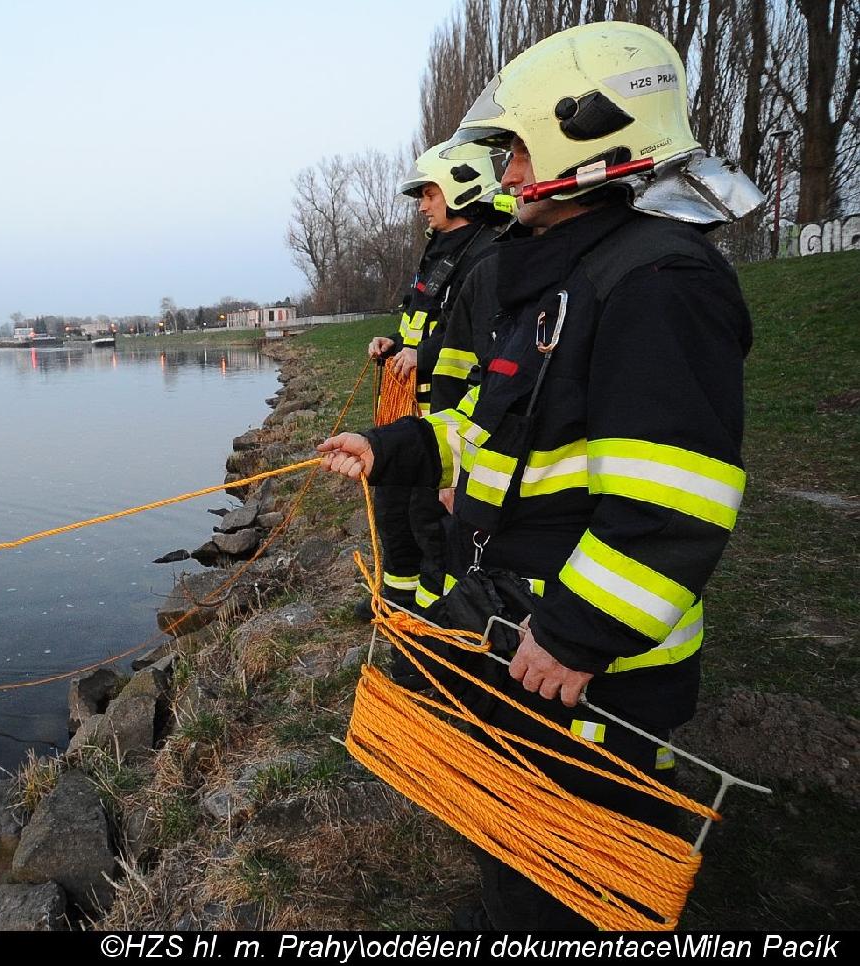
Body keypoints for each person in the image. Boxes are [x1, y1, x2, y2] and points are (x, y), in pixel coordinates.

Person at [320, 21, 762, 929]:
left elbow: (670, 503)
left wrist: (574, 633)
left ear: (587, 139)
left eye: (517, 150)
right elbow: (499, 431)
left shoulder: (657, 283)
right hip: (523, 620)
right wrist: (390, 448)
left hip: (586, 663)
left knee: (572, 871)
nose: (508, 174)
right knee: (516, 837)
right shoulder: (570, 277)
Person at [363, 143, 504, 617]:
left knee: (431, 521)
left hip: (445, 414)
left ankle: (430, 617)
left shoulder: (488, 254)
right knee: (392, 508)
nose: (422, 205)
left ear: (462, 188)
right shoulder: (439, 251)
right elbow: (421, 319)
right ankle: (396, 600)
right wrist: (393, 343)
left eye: (429, 193)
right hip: (407, 409)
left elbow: (472, 337)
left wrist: (421, 355)